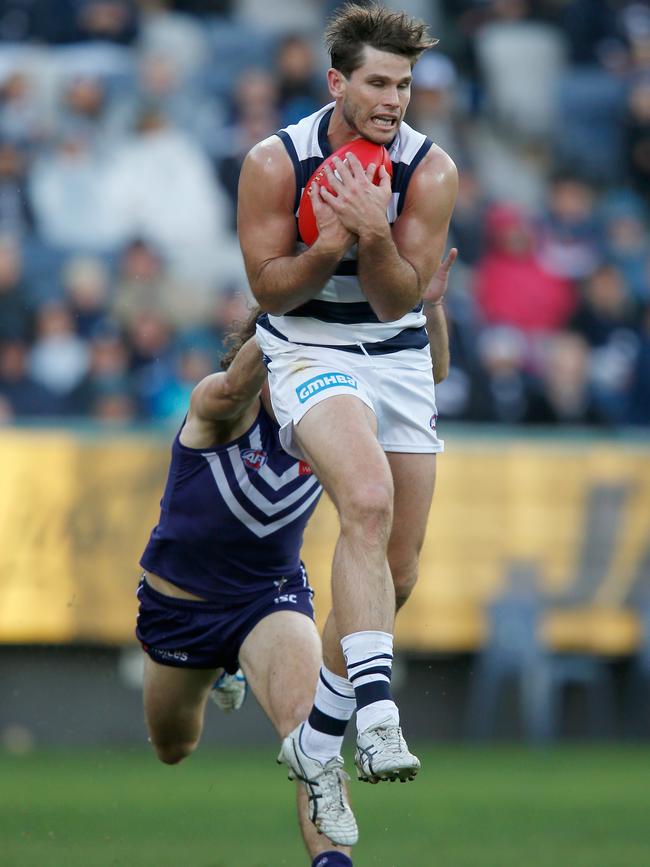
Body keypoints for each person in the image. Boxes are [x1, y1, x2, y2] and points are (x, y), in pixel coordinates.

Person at [135, 251, 456, 865]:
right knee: (174, 745)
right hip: (181, 607)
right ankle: (218, 672)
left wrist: (426, 305)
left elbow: (429, 370)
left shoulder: (331, 421)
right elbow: (234, 384)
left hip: (269, 600)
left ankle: (331, 860)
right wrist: (302, 308)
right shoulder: (221, 406)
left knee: (312, 739)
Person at [238, 1, 457, 801]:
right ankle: (375, 710)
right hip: (306, 348)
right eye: (377, 82)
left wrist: (373, 234)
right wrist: (327, 245)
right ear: (337, 82)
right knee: (366, 498)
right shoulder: (274, 160)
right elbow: (266, 286)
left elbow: (403, 300)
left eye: (403, 83)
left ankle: (315, 738)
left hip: (395, 356)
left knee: (395, 574)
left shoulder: (430, 170)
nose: (394, 98)